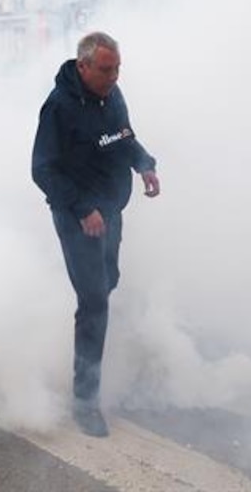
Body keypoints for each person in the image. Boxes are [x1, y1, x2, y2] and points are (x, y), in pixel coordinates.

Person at [31, 31, 160, 437]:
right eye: (106, 69)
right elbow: (42, 169)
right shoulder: (58, 107)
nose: (115, 76)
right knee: (94, 301)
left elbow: (123, 136)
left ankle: (90, 325)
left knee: (108, 284)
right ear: (83, 66)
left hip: (110, 208)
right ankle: (85, 402)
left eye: (118, 68)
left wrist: (144, 164)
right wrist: (82, 209)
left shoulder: (112, 95)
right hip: (77, 213)